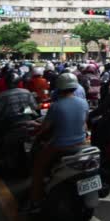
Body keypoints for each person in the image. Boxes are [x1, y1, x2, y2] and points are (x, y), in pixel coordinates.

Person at [23, 73, 89, 213]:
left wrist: (35, 127)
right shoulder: (83, 103)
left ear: (59, 87)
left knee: (38, 168)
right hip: (82, 143)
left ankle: (35, 201)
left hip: (60, 145)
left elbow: (45, 128)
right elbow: (84, 123)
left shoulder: (56, 106)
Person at [0, 73, 37, 139]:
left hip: (9, 123)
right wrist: (24, 110)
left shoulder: (2, 95)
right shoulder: (26, 92)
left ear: (6, 83)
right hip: (26, 119)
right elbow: (34, 107)